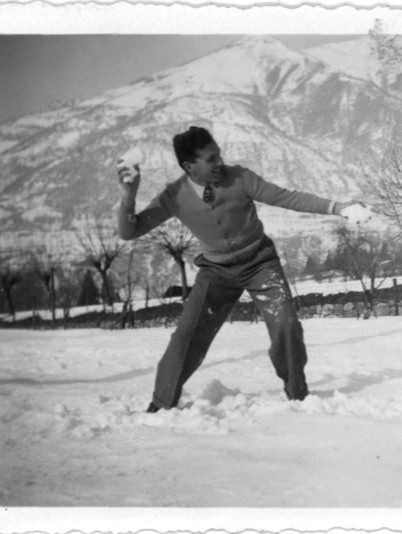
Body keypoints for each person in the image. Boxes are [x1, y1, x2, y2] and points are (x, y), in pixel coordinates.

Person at [117, 126, 362, 411]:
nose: (219, 162)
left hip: (260, 263)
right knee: (186, 334)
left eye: (218, 155)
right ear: (189, 166)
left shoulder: (240, 177)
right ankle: (161, 405)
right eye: (211, 159)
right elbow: (129, 231)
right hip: (216, 272)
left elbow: (286, 197)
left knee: (286, 325)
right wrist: (128, 196)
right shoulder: (175, 196)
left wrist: (338, 207)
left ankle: (298, 395)